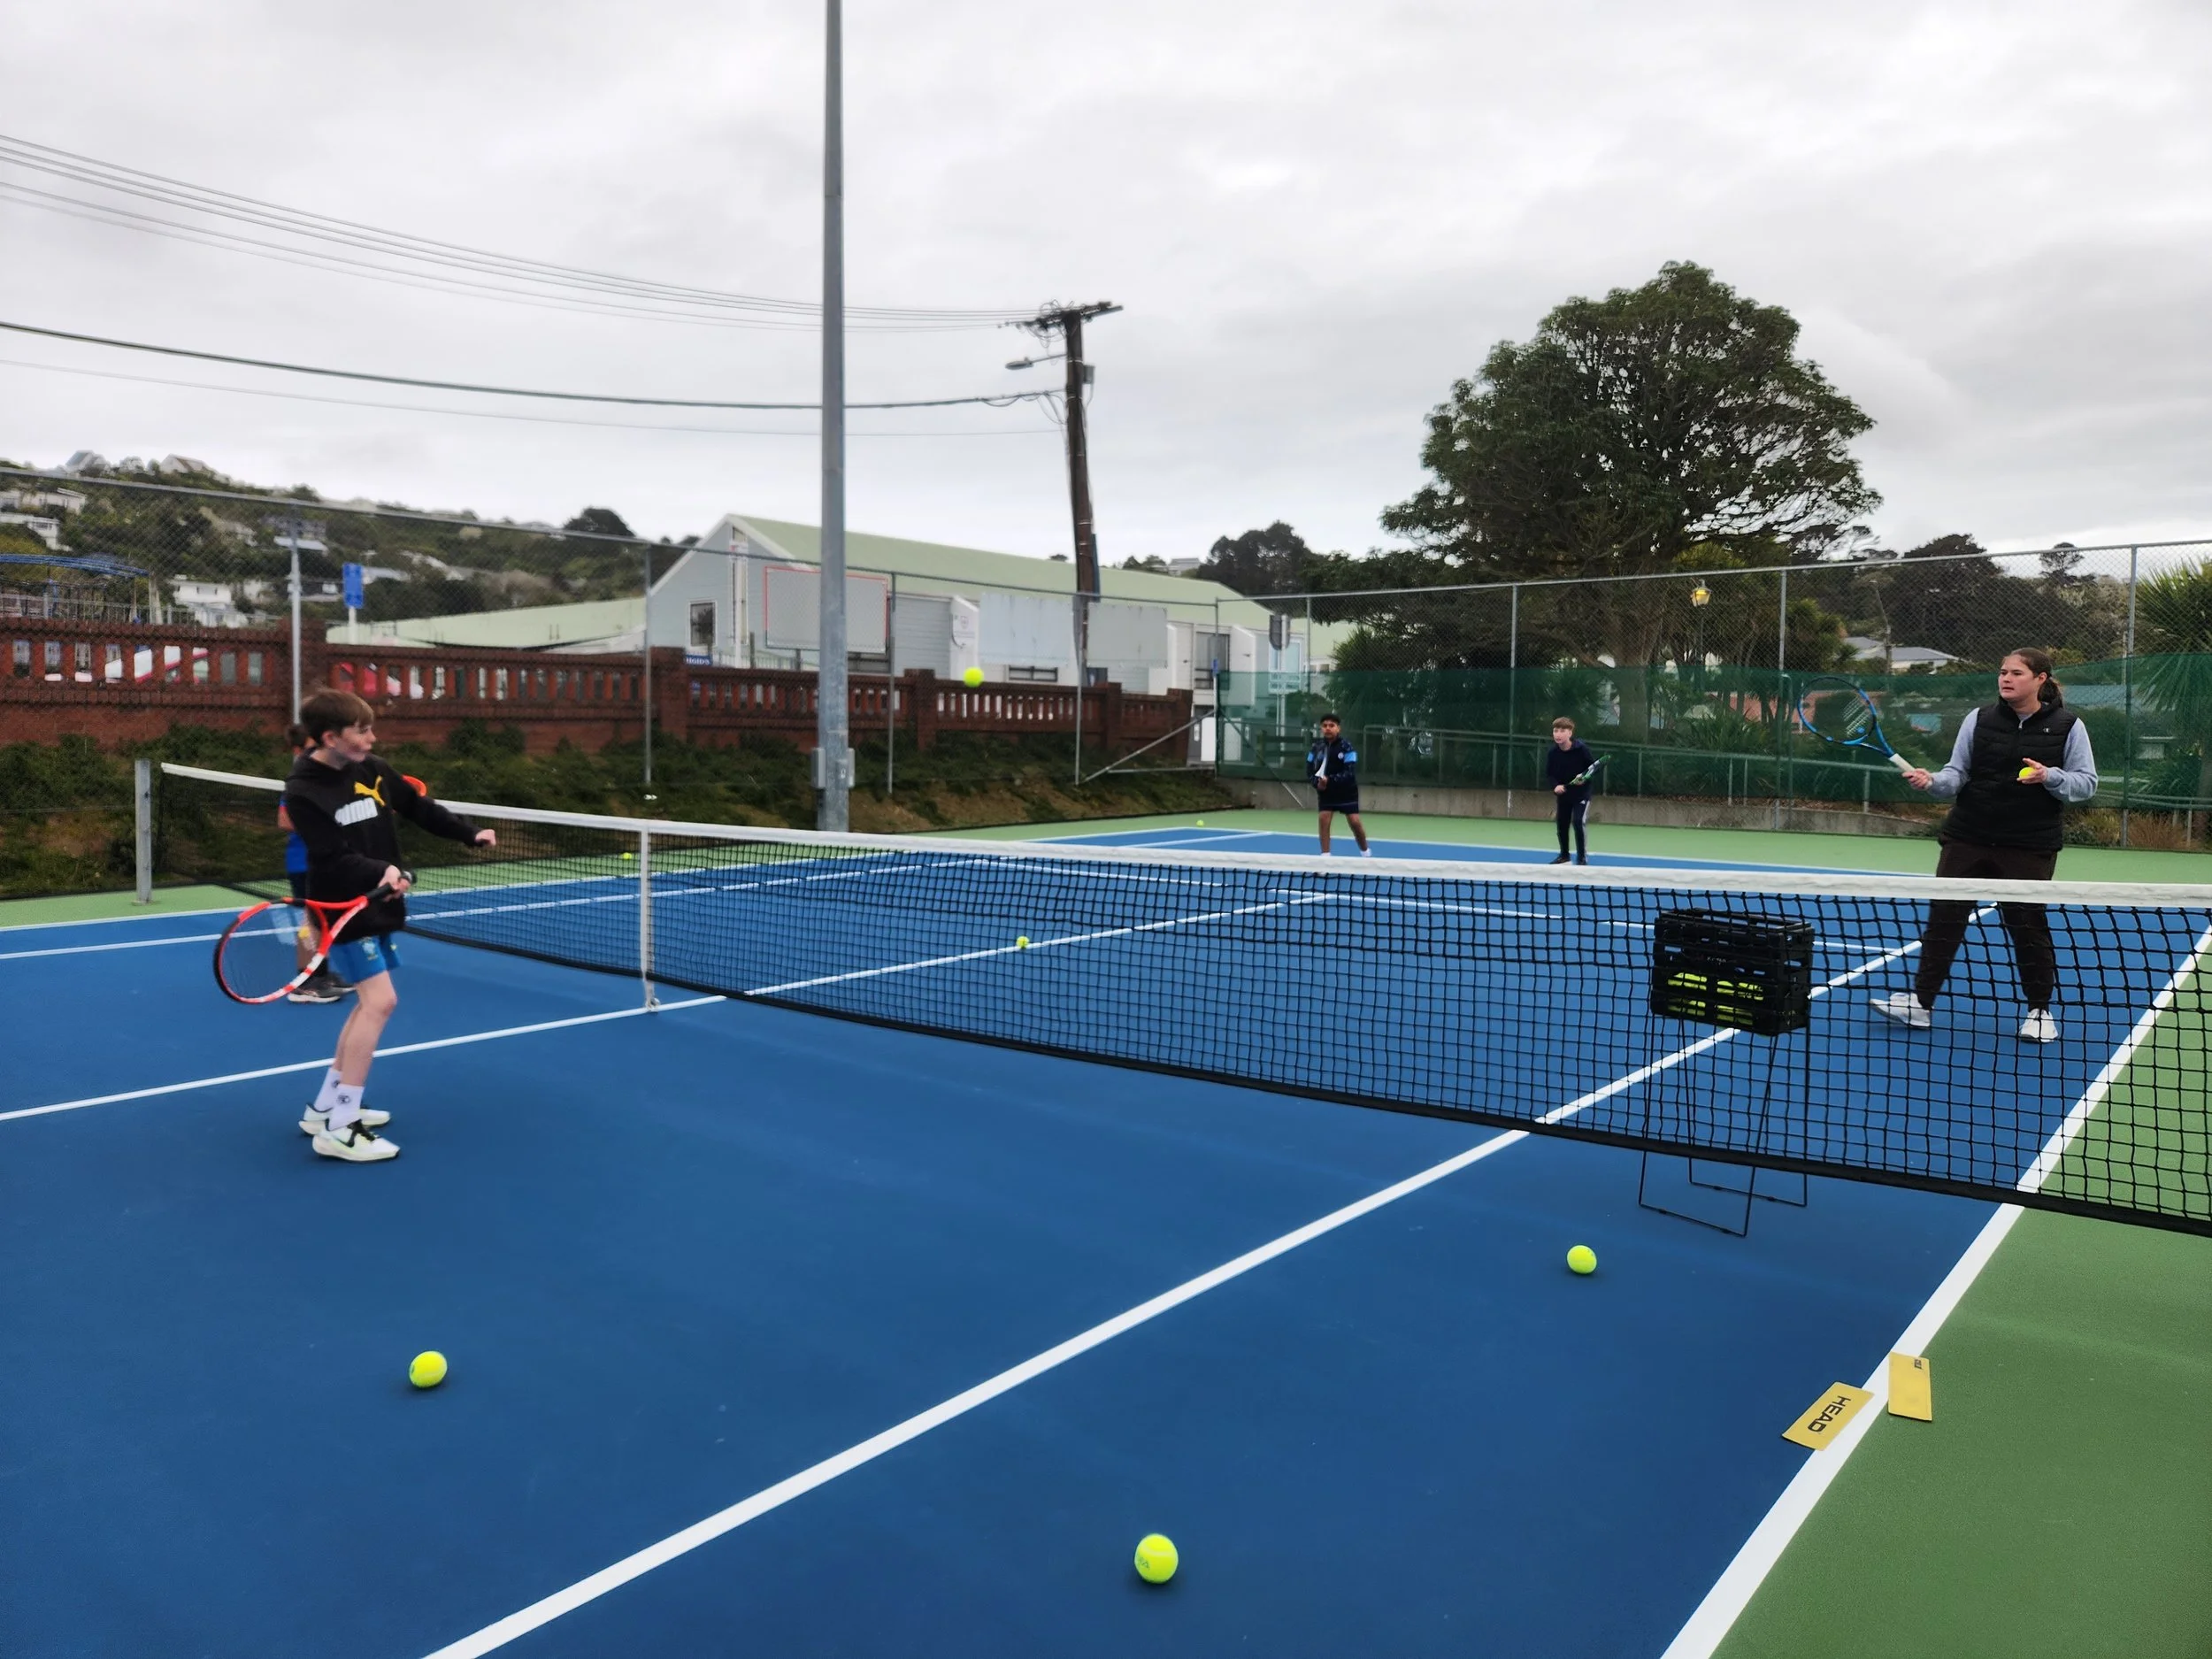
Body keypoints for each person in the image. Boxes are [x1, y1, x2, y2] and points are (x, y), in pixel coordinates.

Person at [283, 689, 496, 1161]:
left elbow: (417, 806)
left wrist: (467, 833)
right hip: (341, 908)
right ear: (330, 737)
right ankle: (342, 1126)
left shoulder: (372, 768)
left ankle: (325, 1108)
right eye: (362, 731)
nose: (372, 738)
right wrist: (379, 872)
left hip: (376, 902)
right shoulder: (304, 791)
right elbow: (331, 856)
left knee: (366, 1004)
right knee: (381, 1003)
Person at [1870, 648, 2098, 1044]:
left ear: (2040, 679)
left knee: (2027, 927)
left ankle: (2039, 1012)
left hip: (2027, 844)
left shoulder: (2068, 726)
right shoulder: (1978, 719)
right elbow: (1956, 774)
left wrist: (2050, 776)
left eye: (2016, 673)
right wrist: (1933, 782)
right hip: (1968, 836)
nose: (2005, 678)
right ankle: (1921, 1004)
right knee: (1943, 923)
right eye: (2002, 671)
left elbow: (2086, 783)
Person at [277, 723, 352, 1005]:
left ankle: (320, 973)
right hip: (303, 862)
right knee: (312, 921)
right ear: (298, 751)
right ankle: (304, 982)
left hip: (326, 860)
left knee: (324, 921)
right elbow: (284, 821)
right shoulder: (299, 781)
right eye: (311, 747)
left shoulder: (325, 779)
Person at [1306, 714, 1371, 856]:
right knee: (1324, 819)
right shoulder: (1316, 747)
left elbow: (1350, 772)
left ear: (1338, 728)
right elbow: (1309, 771)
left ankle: (1366, 853)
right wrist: (1318, 784)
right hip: (1326, 792)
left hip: (1347, 791)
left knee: (1355, 823)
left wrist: (1329, 780)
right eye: (1325, 726)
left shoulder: (1347, 747)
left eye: (1331, 725)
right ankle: (1325, 859)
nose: (1328, 728)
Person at [1543, 717, 1597, 865]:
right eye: (1555, 730)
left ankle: (1581, 858)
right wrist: (1555, 786)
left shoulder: (1582, 750)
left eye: (1562, 730)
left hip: (1581, 794)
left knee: (1578, 822)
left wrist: (1584, 778)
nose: (1558, 734)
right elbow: (1549, 774)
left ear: (1570, 733)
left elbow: (1593, 769)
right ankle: (1564, 856)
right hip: (1564, 795)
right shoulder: (1553, 753)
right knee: (1562, 824)